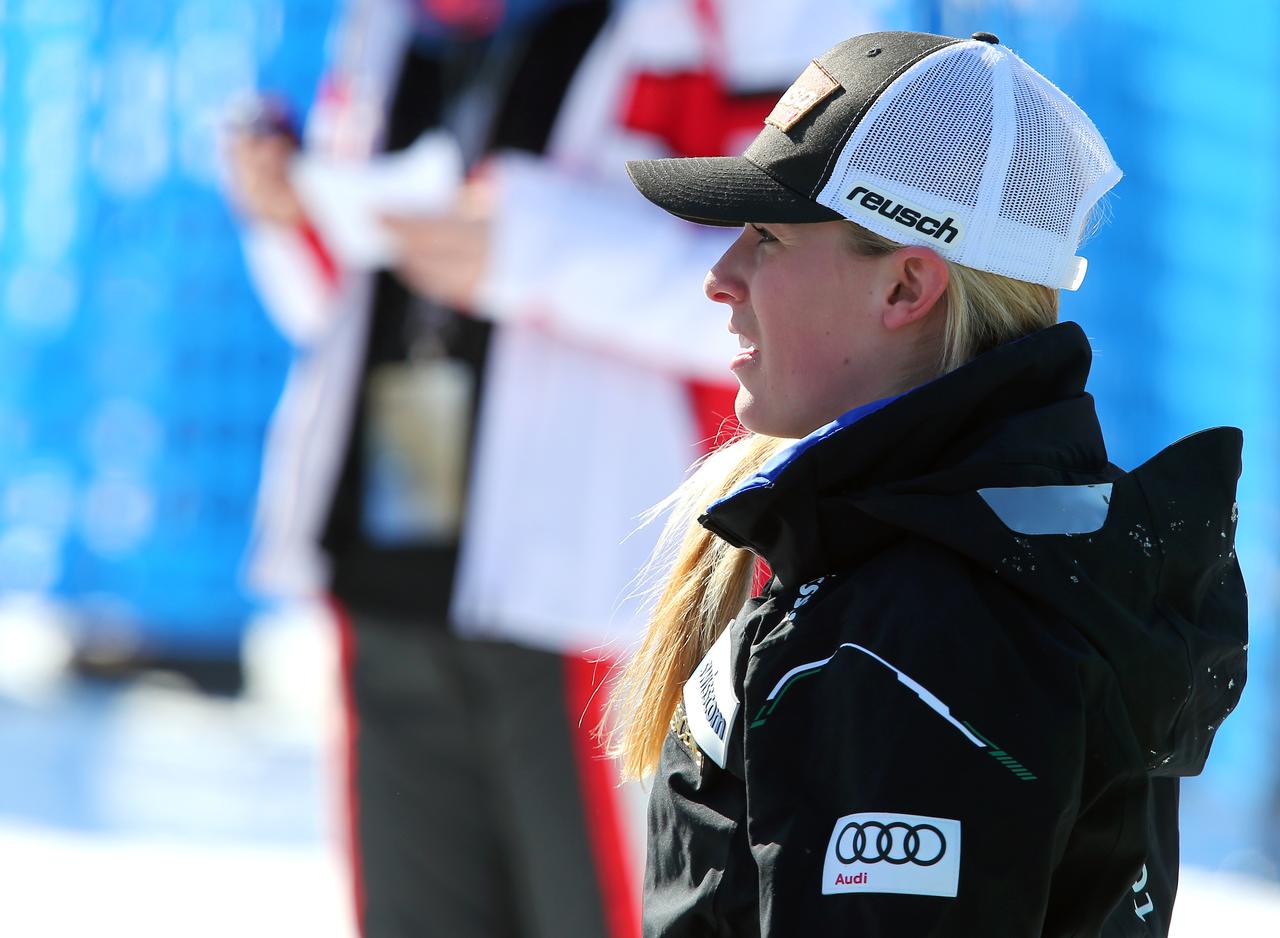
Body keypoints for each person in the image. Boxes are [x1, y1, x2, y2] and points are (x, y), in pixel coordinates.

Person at [228, 2, 878, 936]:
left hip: (601, 590)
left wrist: (536, 246)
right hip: (390, 559)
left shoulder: (764, 15)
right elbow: (335, 299)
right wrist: (290, 213)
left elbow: (820, 304)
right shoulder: (388, 18)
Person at [610, 29, 1249, 937]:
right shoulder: (992, 548)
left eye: (767, 237)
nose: (721, 278)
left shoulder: (915, 629)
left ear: (908, 287)